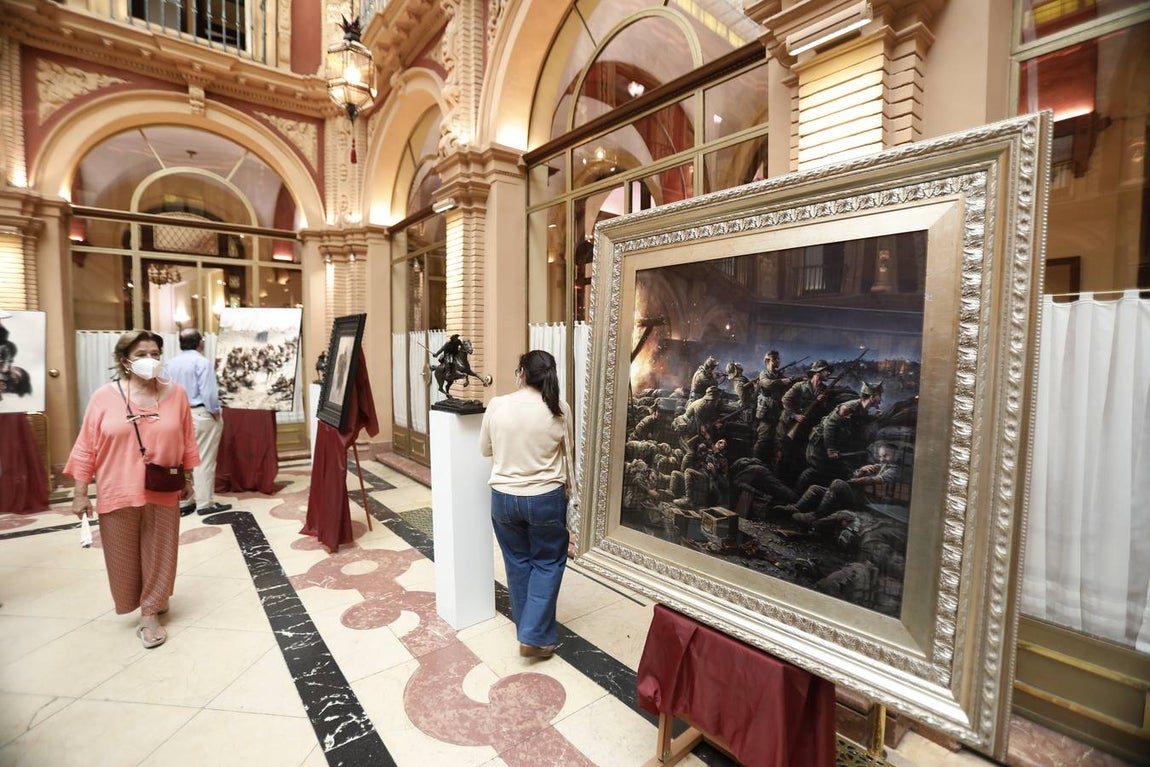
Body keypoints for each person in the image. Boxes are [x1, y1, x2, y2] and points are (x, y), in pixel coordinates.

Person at [64, 330, 200, 649]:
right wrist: (80, 491)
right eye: (141, 355)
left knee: (159, 551)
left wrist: (188, 478)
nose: (149, 360)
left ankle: (150, 611)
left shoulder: (176, 394)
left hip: (161, 487)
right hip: (116, 488)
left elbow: (186, 438)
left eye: (154, 353)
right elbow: (86, 446)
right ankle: (138, 599)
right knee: (123, 557)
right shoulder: (103, 397)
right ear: (124, 360)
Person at [479, 349, 579, 659]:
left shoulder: (497, 405)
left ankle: (528, 628)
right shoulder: (559, 409)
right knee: (548, 562)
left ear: (521, 372)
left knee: (518, 562)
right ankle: (534, 636)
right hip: (545, 499)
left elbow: (485, 449)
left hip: (504, 499)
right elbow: (570, 454)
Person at [164, 328, 232, 516]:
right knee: (204, 460)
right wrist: (215, 413)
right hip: (201, 413)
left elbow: (166, 391)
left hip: (178, 415)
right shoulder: (202, 362)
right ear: (200, 342)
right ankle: (205, 503)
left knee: (184, 460)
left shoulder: (170, 363)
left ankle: (187, 500)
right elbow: (208, 392)